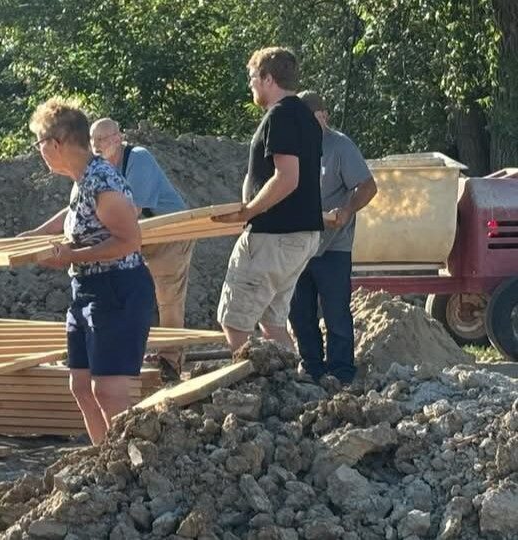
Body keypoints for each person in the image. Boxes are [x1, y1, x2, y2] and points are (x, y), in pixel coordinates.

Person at [21, 98, 155, 445]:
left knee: (108, 391)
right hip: (87, 288)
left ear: (57, 143)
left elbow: (129, 241)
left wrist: (71, 256)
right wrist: (38, 235)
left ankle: (130, 464)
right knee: (81, 385)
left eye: (40, 144)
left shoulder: (102, 182)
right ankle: (104, 461)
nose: (40, 152)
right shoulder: (82, 179)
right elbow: (73, 214)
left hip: (117, 289)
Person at [213, 47, 323, 352]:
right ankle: (291, 390)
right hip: (299, 237)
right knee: (272, 323)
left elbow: (287, 177)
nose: (250, 84)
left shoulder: (281, 115)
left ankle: (250, 390)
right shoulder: (306, 117)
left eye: (252, 77)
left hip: (274, 236)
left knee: (235, 320)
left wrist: (249, 210)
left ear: (268, 79)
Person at [89, 118, 192, 378]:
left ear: (117, 138)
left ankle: (170, 362)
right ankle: (126, 351)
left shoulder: (138, 158)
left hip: (170, 234)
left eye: (103, 139)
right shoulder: (99, 168)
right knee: (127, 290)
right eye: (94, 141)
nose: (98, 146)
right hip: (139, 235)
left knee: (168, 297)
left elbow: (131, 210)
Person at [288, 91, 377, 383]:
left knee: (336, 312)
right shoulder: (292, 146)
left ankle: (341, 373)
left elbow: (367, 186)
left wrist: (347, 210)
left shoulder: (340, 146)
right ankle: (312, 366)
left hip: (333, 246)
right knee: (300, 313)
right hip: (298, 245)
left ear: (323, 116)